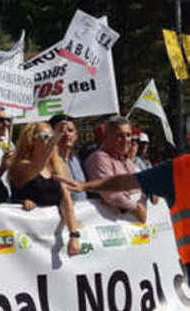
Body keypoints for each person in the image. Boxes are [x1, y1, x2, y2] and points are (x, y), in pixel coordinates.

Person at [57, 156, 189, 281]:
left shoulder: (177, 169)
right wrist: (86, 186)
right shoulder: (177, 169)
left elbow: (127, 182)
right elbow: (126, 182)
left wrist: (86, 186)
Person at [9, 122, 81, 256]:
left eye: (52, 137)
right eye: (45, 137)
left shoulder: (57, 166)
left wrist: (74, 234)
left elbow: (66, 200)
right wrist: (55, 138)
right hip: (26, 238)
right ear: (32, 140)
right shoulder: (20, 165)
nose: (51, 140)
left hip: (52, 237)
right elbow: (37, 166)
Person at [83, 116, 146, 222]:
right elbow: (110, 193)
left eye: (128, 135)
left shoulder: (127, 161)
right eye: (120, 135)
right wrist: (136, 208)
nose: (126, 140)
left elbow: (137, 187)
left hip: (132, 222)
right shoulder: (98, 158)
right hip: (111, 222)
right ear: (106, 137)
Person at [48, 114, 87, 202]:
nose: (66, 134)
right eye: (61, 131)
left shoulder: (78, 160)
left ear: (76, 135)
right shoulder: (47, 163)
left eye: (70, 130)